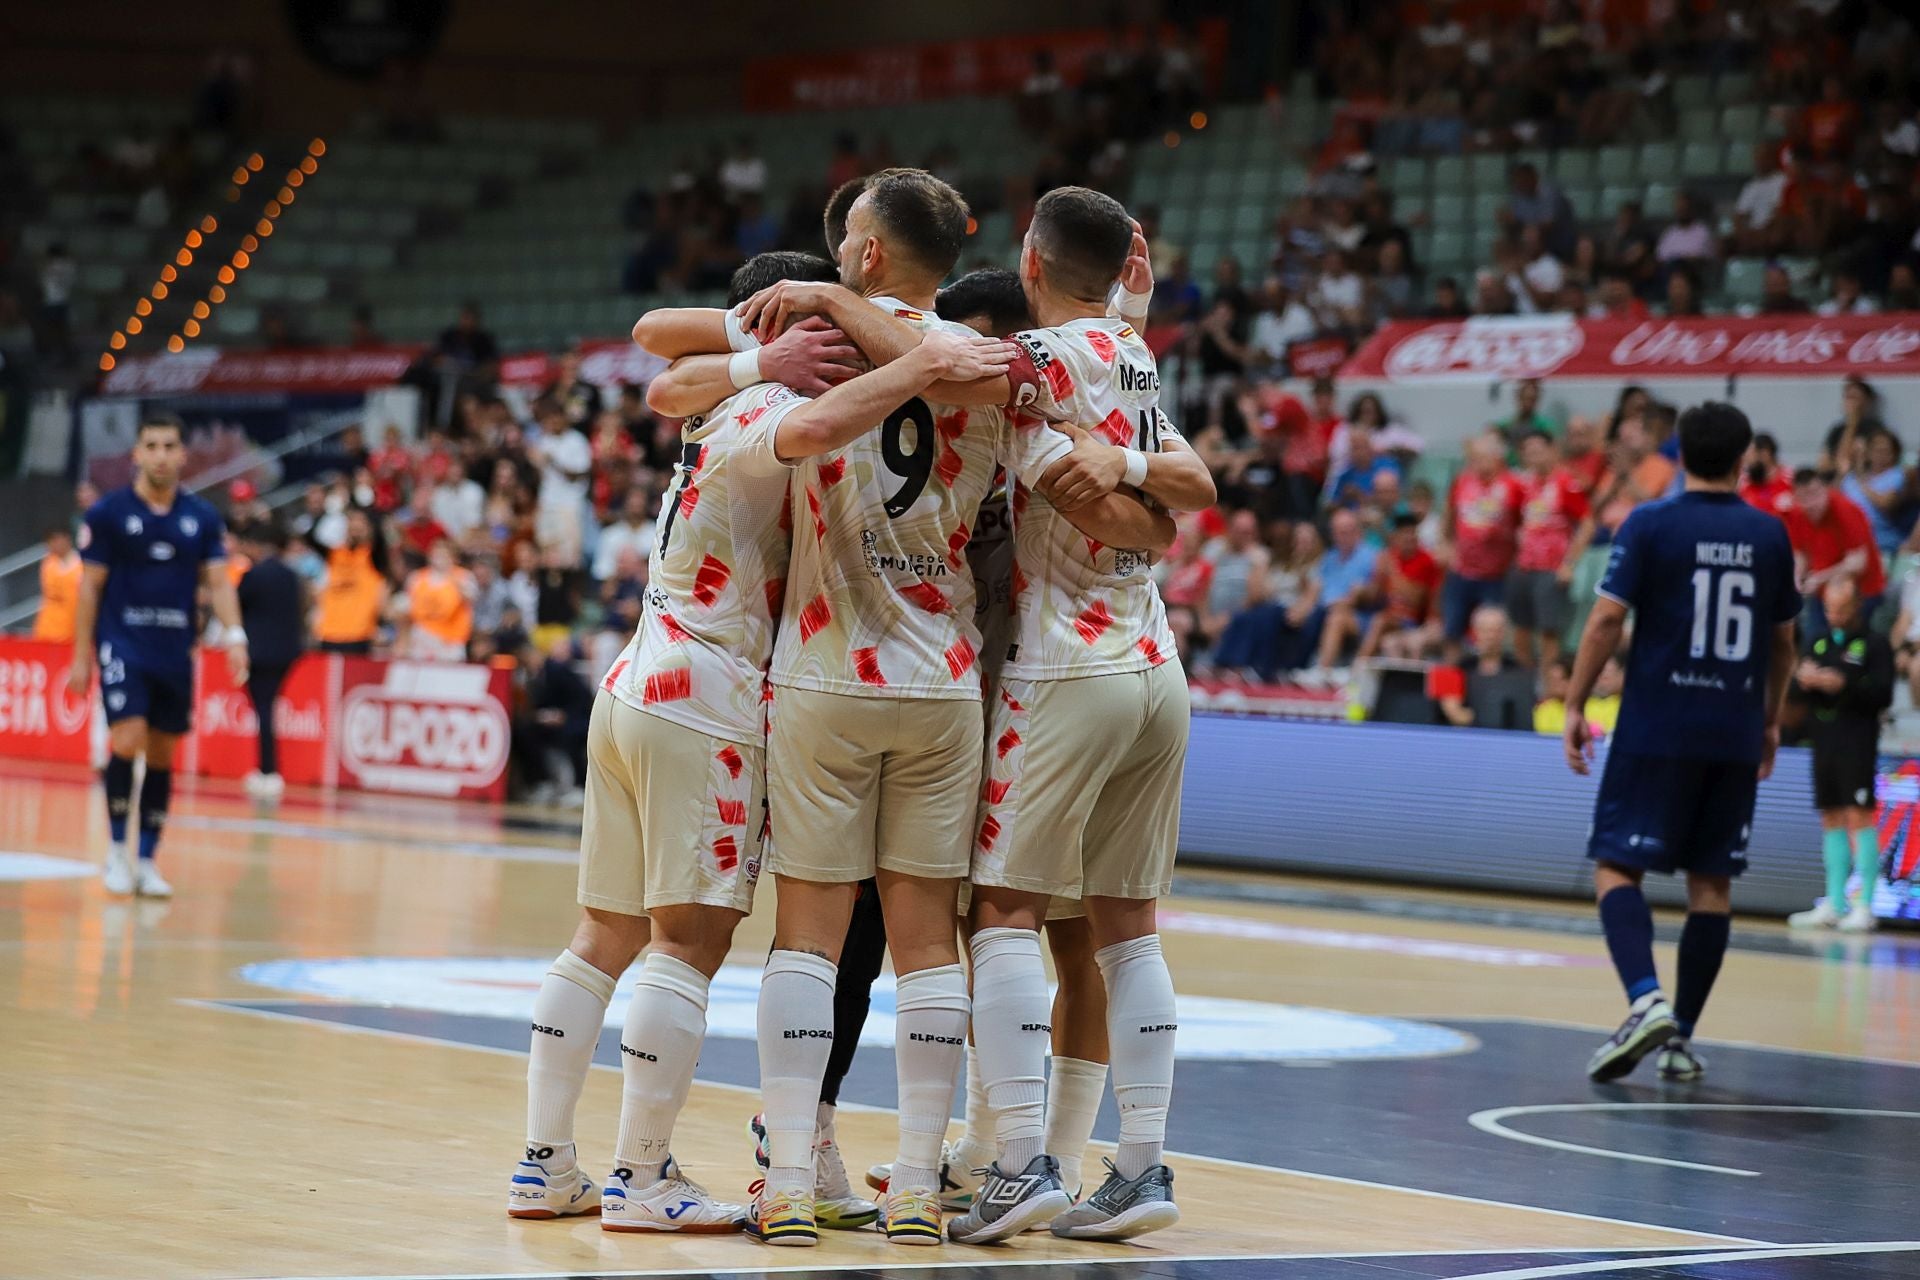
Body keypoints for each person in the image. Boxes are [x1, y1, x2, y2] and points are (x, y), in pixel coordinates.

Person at [632, 188, 1155, 1248]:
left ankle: (787, 1177)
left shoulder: (823, 345)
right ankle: (918, 1183)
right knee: (928, 948)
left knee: (808, 941)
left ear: (866, 253)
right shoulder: (990, 364)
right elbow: (1120, 448)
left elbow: (667, 366)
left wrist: (806, 313)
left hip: (824, 664)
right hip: (946, 676)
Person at [509, 248, 1015, 1234]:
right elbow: (813, 422)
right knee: (686, 943)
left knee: (602, 937)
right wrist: (918, 362)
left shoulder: (713, 398)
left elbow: (667, 372)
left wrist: (761, 353)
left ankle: (545, 1162)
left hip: (638, 677)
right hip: (709, 693)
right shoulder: (768, 406)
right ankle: (640, 1175)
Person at [1564, 401, 1799, 1086]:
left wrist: (1575, 702)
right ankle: (1680, 1039)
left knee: (1616, 865)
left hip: (1656, 727)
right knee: (1711, 883)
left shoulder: (1650, 523)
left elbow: (1606, 619)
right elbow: (1783, 644)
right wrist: (1770, 720)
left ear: (1680, 455)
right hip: (1732, 731)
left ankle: (1646, 1001)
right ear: (1745, 458)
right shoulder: (1770, 534)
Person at [67, 412, 247, 897]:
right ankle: (115, 851)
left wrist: (235, 636)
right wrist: (81, 655)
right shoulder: (109, 514)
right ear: (137, 454)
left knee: (163, 753)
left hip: (174, 651)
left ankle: (146, 859)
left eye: (170, 446)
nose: (161, 456)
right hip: (123, 644)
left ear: (183, 454)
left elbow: (218, 582)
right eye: (152, 446)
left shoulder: (201, 517)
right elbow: (90, 588)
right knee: (127, 738)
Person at [1786, 577, 1891, 933]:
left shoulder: (1875, 644)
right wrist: (1805, 680)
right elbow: (1797, 691)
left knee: (1859, 816)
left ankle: (1865, 905)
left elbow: (1883, 693)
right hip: (1824, 740)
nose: (1835, 616)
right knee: (1830, 816)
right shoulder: (1819, 641)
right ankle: (1834, 902)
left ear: (1857, 605)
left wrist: (1842, 684)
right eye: (1830, 609)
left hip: (1857, 741)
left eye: (1841, 609)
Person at [236, 522, 305, 800]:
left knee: (263, 708)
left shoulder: (253, 575)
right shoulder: (291, 575)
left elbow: (236, 606)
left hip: (259, 652)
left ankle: (268, 770)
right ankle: (267, 769)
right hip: (287, 651)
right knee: (268, 707)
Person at [1508, 431, 1589, 670]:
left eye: (1538, 451)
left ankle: (1548, 683)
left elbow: (1587, 523)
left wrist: (1569, 564)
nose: (1533, 456)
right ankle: (1524, 680)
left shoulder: (1565, 483)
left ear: (1552, 450)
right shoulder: (1523, 484)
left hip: (1551, 568)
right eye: (1528, 452)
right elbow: (1516, 519)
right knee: (1521, 628)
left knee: (1548, 630)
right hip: (1524, 565)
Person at [1441, 434, 1524, 660]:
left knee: (1491, 635)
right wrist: (1445, 545)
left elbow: (1524, 524)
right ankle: (1451, 677)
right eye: (1473, 458)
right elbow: (1448, 515)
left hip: (1495, 575)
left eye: (1481, 457)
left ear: (1497, 457)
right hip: (1461, 571)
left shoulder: (1512, 485)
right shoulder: (1462, 481)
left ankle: (1487, 677)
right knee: (1452, 631)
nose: (1475, 463)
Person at [1782, 468, 1885, 635]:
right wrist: (1797, 578)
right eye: (1803, 498)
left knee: (1847, 643)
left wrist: (1820, 578)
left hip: (1861, 593)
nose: (1811, 503)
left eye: (1815, 494)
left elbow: (1858, 562)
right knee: (1813, 640)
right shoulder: (1797, 514)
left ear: (1825, 489)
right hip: (1823, 594)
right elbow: (1800, 553)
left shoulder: (1846, 509)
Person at [314, 508, 387, 655]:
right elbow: (312, 537)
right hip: (329, 633)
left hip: (359, 634)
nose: (355, 527)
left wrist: (365, 532)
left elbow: (380, 542)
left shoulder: (372, 557)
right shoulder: (334, 554)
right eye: (351, 522)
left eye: (360, 522)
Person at [403, 540, 477, 662]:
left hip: (451, 640)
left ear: (454, 557)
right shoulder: (417, 577)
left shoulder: (464, 577)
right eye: (436, 554)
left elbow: (472, 598)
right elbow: (406, 607)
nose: (440, 558)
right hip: (423, 636)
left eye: (444, 554)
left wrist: (456, 583)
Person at [33, 528, 84, 643]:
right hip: (48, 628)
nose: (54, 544)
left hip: (73, 627)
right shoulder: (49, 563)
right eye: (50, 541)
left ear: (67, 539)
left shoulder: (82, 564)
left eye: (57, 540)